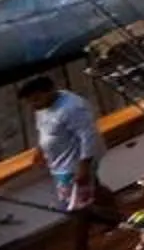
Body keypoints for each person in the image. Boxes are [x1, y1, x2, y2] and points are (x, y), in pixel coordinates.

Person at [16, 76, 102, 213]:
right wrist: (40, 150)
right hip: (58, 164)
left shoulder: (72, 108)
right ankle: (119, 218)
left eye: (36, 99)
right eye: (30, 101)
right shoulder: (42, 107)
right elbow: (44, 130)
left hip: (73, 165)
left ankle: (80, 234)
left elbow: (88, 136)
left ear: (50, 91)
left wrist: (84, 167)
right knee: (95, 190)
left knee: (76, 208)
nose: (34, 104)